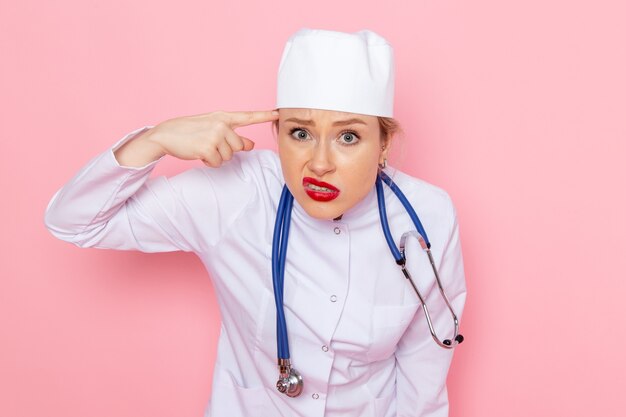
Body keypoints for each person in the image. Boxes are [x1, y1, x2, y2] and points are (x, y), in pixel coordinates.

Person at [44, 28, 467, 417]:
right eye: (300, 133)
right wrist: (154, 139)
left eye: (348, 137)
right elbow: (73, 222)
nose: (319, 164)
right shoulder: (235, 193)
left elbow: (422, 371)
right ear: (278, 133)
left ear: (384, 145)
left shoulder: (427, 216)